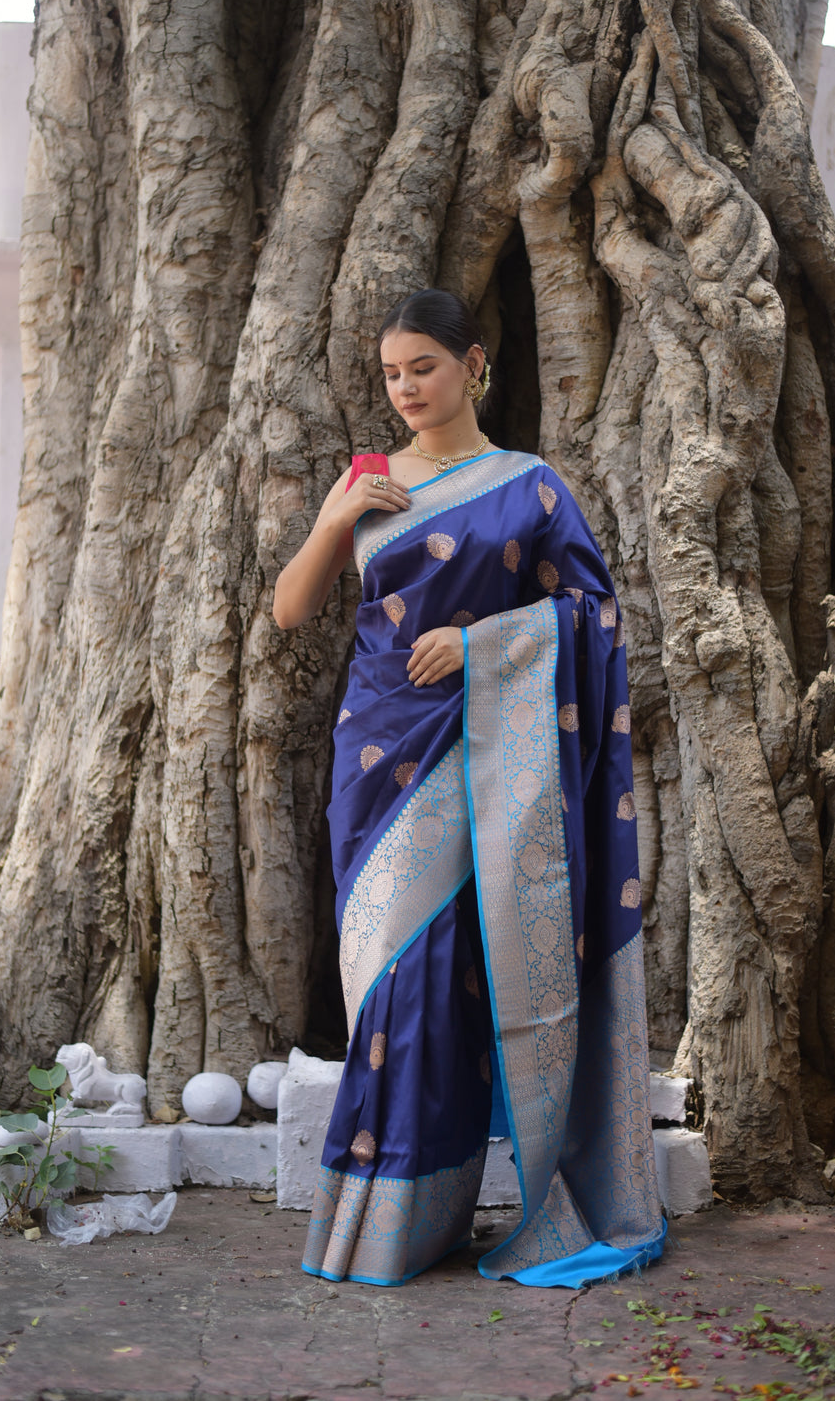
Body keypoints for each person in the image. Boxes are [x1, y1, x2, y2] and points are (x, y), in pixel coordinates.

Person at [273, 289, 666, 1288]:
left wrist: (481, 643)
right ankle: (392, 1213)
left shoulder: (529, 487)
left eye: (423, 367)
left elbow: (593, 616)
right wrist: (336, 515)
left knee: (438, 981)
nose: (405, 387)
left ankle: (411, 1219)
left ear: (472, 364)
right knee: (385, 986)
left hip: (480, 752)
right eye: (392, 372)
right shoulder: (367, 477)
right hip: (375, 756)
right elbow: (289, 608)